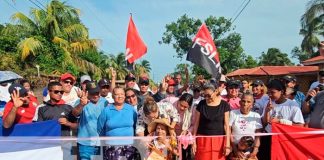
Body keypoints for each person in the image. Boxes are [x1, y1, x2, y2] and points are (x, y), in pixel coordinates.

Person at [260, 79, 304, 160]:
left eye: (272, 92)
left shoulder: (292, 105)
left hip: (284, 140)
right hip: (268, 138)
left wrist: (280, 121)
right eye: (268, 93)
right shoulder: (268, 103)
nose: (270, 95)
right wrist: (266, 111)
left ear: (282, 91)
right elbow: (265, 123)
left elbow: (300, 126)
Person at [37, 81, 78, 160]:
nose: (59, 94)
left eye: (61, 92)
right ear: (49, 92)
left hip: (67, 144)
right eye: (56, 92)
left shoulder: (68, 107)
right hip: (50, 146)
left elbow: (77, 125)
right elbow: (40, 128)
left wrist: (68, 123)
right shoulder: (42, 109)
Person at [97, 87, 140, 160]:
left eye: (122, 94)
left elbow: (136, 126)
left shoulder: (131, 109)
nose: (120, 96)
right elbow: (99, 129)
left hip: (129, 147)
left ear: (124, 96)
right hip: (111, 147)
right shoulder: (106, 110)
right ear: (113, 96)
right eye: (117, 94)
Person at [193, 83, 231, 160]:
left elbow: (227, 126)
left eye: (208, 95)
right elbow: (196, 124)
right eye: (204, 95)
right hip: (202, 140)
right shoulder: (201, 104)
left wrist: (227, 144)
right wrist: (194, 142)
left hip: (219, 141)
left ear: (216, 91)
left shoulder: (224, 104)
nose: (206, 98)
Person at [72, 81, 108, 160]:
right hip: (86, 144)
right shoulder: (80, 101)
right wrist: (81, 104)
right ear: (86, 93)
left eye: (97, 93)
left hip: (101, 143)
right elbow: (74, 114)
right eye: (92, 93)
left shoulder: (105, 101)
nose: (95, 96)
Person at [229, 93, 262, 159]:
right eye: (243, 101)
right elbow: (229, 131)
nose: (245, 104)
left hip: (250, 150)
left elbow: (258, 135)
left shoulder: (256, 116)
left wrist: (255, 151)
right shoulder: (233, 113)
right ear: (240, 102)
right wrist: (235, 150)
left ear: (252, 105)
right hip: (234, 148)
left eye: (248, 102)